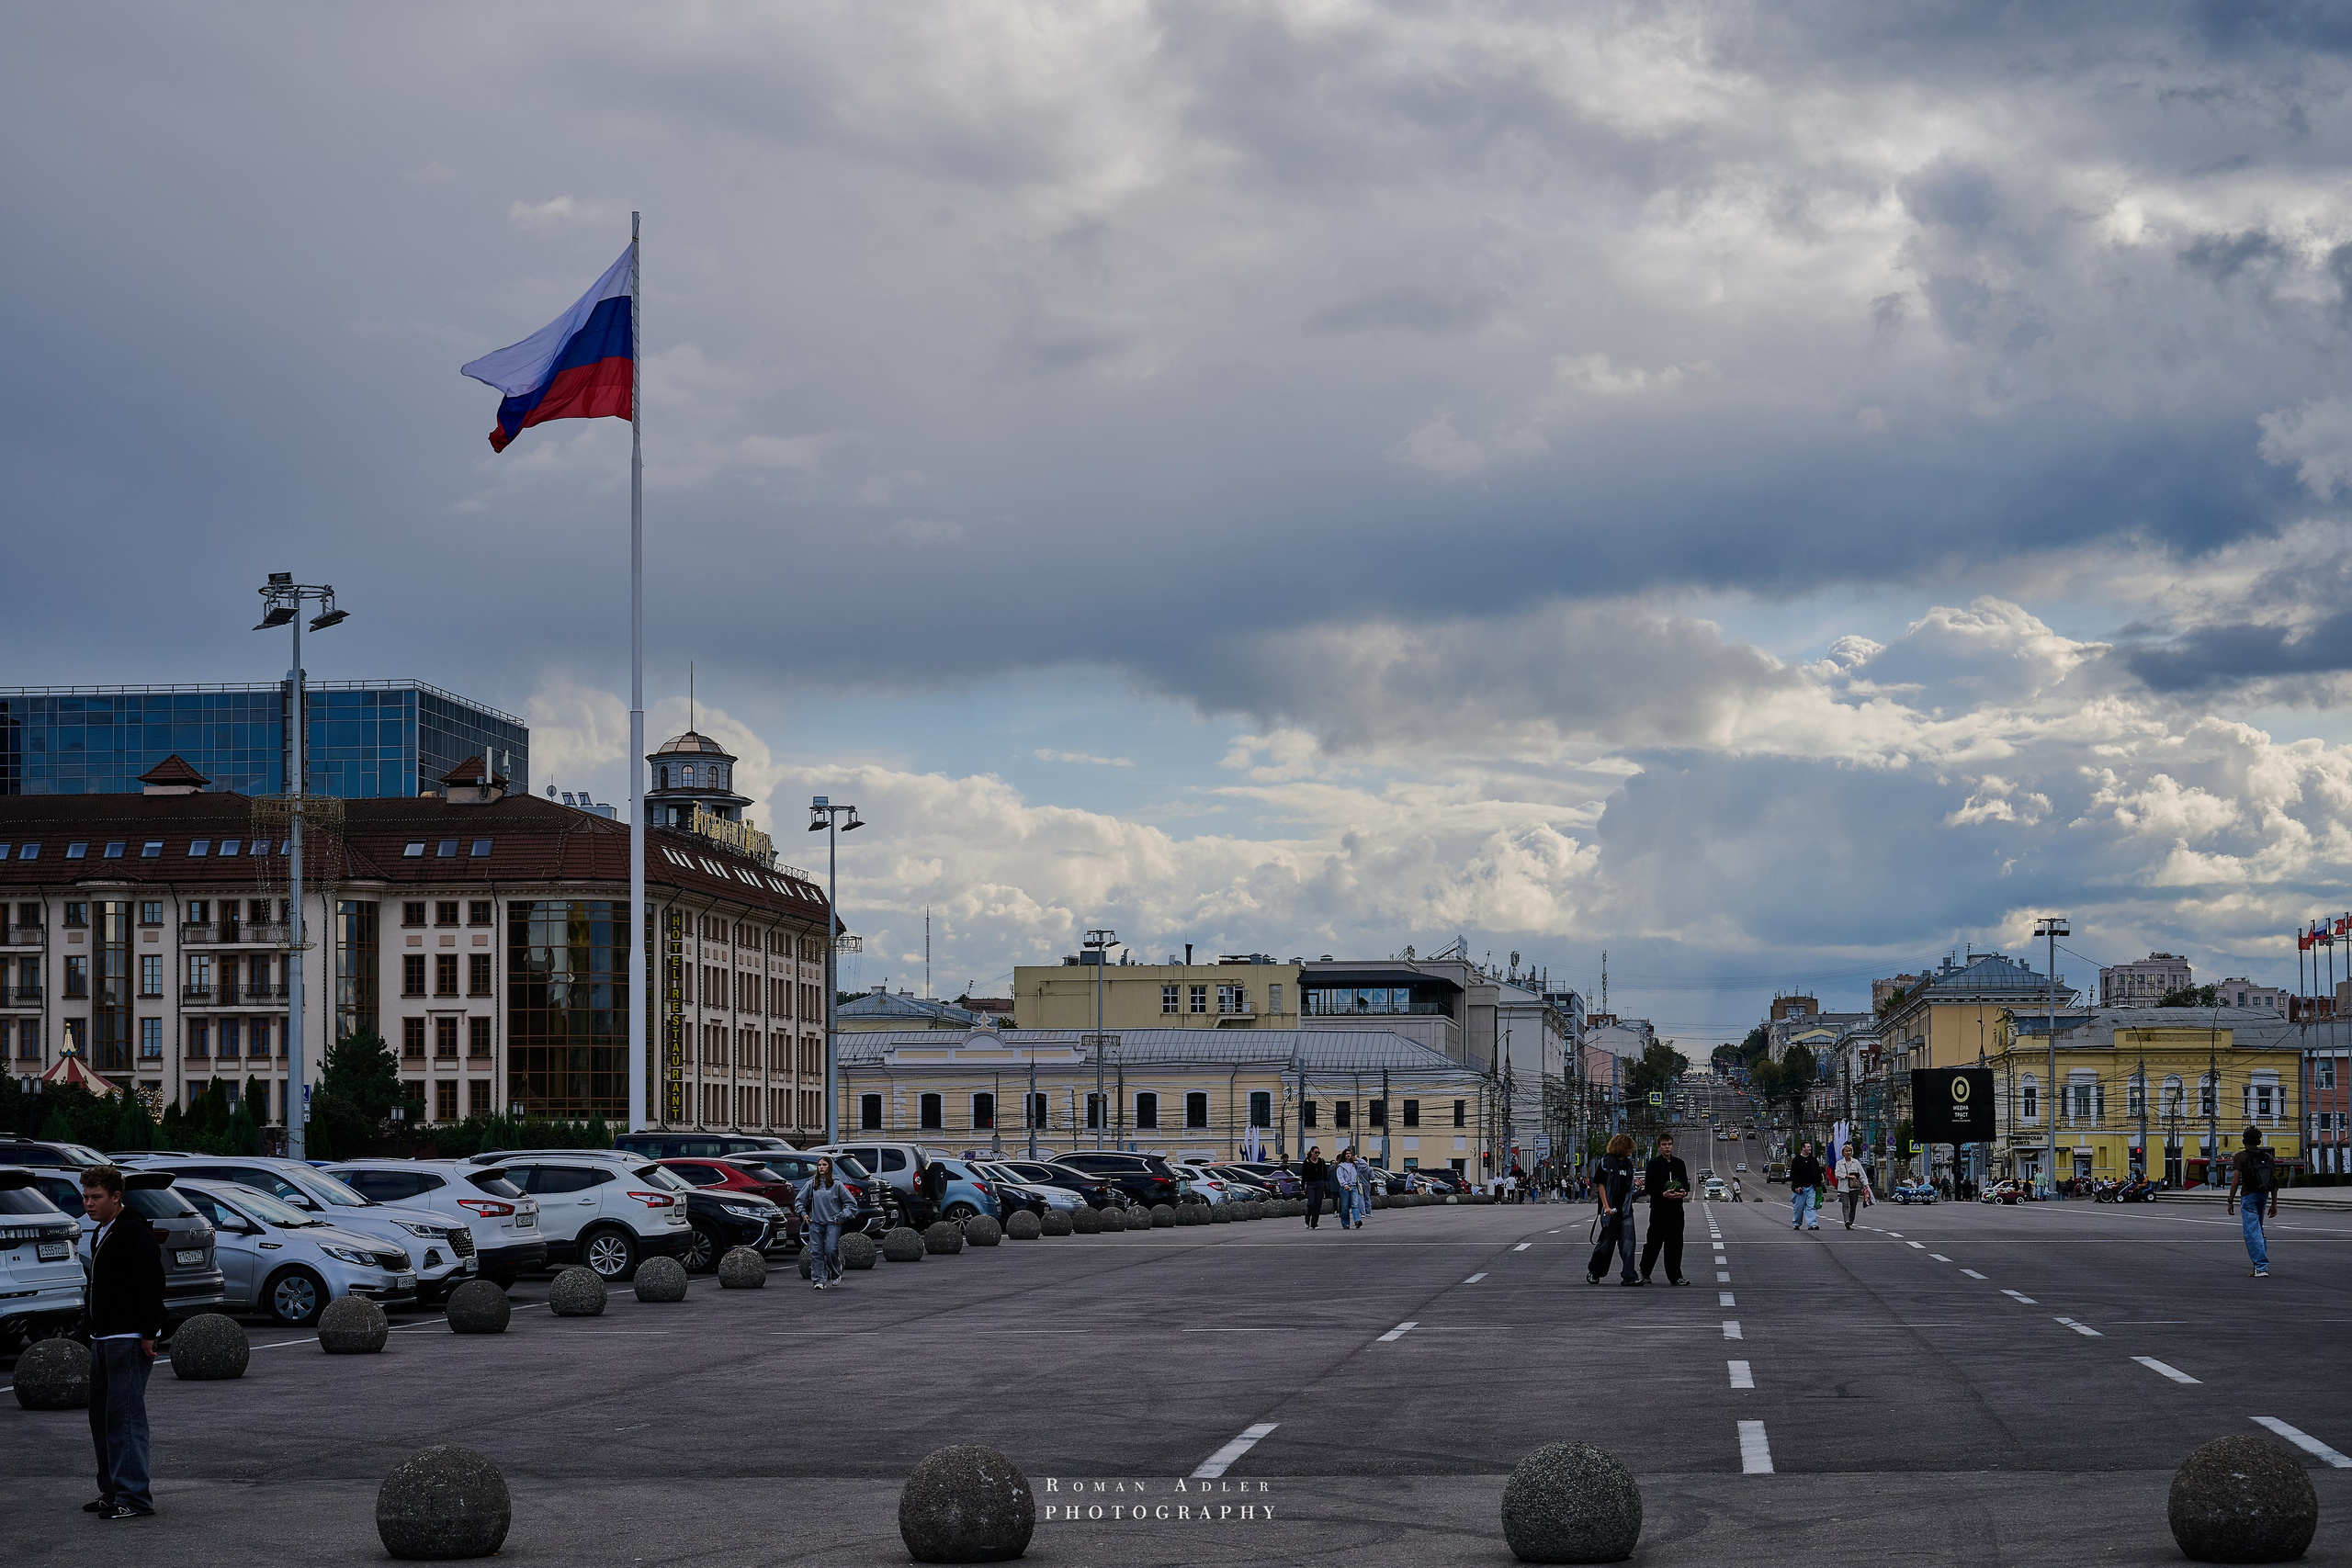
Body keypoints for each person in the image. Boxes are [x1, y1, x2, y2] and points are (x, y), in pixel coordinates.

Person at [81, 1165, 164, 1521]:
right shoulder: (102, 1231)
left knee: (125, 1420)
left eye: (96, 1197)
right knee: (101, 1418)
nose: (88, 1203)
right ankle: (112, 1491)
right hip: (103, 1336)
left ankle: (134, 1497)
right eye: (85, 1196)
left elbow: (151, 1284)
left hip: (128, 1338)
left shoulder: (132, 1231)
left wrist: (149, 1333)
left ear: (117, 1197)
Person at [1639, 1134, 1690, 1285]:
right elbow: (1649, 1187)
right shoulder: (1654, 1164)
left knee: (1675, 1243)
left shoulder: (1679, 1164)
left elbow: (1685, 1184)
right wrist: (1663, 1194)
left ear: (1672, 1146)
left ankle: (1675, 1276)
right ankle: (1645, 1272)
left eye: (1669, 1144)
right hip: (1659, 1210)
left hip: (1676, 1210)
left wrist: (1683, 1193)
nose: (1667, 1147)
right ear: (1659, 1146)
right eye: (1664, 1145)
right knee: (1654, 1243)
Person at [1588, 1135, 1640, 1285]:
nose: (1631, 1150)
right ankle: (1594, 1272)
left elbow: (1627, 1184)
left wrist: (1635, 1183)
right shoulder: (1606, 1162)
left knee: (1629, 1243)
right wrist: (1606, 1207)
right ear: (1623, 1147)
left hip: (1625, 1209)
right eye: (1629, 1147)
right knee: (1605, 1244)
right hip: (1610, 1210)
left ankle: (1629, 1276)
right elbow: (1601, 1186)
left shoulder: (1628, 1164)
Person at [796, 1156, 853, 1292]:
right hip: (815, 1223)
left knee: (831, 1249)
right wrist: (804, 1214)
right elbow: (799, 1201)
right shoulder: (811, 1184)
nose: (821, 1167)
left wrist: (842, 1216)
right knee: (816, 1252)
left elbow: (851, 1204)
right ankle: (819, 1280)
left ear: (829, 1167)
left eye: (824, 1165)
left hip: (833, 1222)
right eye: (819, 1165)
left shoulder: (837, 1185)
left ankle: (836, 1271)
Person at [2229, 1125, 2278, 1279]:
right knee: (2258, 1230)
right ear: (2259, 1140)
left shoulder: (2240, 1157)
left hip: (2248, 1196)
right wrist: (2274, 1204)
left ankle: (2261, 1267)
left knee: (2251, 1232)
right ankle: (2258, 1266)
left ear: (2244, 1140)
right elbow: (2274, 1182)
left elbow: (2236, 1181)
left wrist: (2230, 1201)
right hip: (2263, 1196)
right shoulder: (2268, 1158)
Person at [1788, 1141, 1823, 1231]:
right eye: (1808, 1147)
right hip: (1800, 1189)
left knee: (1811, 1206)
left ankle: (1812, 1224)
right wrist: (1796, 1186)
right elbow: (1793, 1174)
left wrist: (1818, 1185)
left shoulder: (1813, 1160)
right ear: (1803, 1148)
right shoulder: (1797, 1160)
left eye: (1810, 1147)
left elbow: (1817, 1173)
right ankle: (1796, 1223)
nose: (1810, 1148)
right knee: (1799, 1208)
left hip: (1811, 1187)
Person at [1836, 1142, 1871, 1229]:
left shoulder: (1856, 1162)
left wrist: (1866, 1185)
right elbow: (1837, 1174)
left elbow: (1862, 1174)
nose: (1848, 1153)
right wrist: (1847, 1176)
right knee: (1845, 1205)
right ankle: (1846, 1220)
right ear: (1843, 1153)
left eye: (1849, 1151)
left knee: (1853, 1205)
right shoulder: (1839, 1163)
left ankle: (1850, 1222)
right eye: (1846, 1151)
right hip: (1843, 1188)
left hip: (1854, 1187)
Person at [1301, 1146, 1331, 1228]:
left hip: (1320, 1184)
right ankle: (1307, 1218)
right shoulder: (1306, 1162)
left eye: (1318, 1153)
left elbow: (1325, 1172)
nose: (1317, 1154)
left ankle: (1314, 1223)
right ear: (1311, 1152)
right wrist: (1303, 1188)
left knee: (1318, 1204)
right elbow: (1303, 1176)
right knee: (1311, 1203)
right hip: (1310, 1184)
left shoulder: (1321, 1161)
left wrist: (1323, 1182)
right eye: (1316, 1152)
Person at [1334, 1148, 1363, 1230]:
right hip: (1345, 1188)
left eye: (1350, 1153)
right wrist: (1344, 1184)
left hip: (1354, 1186)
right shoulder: (1341, 1166)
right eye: (1347, 1153)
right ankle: (1345, 1223)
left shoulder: (1354, 1165)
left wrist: (1357, 1159)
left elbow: (1365, 1165)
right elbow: (1340, 1177)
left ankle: (1357, 1221)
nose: (1348, 1155)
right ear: (1344, 1155)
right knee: (1345, 1207)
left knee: (1355, 1205)